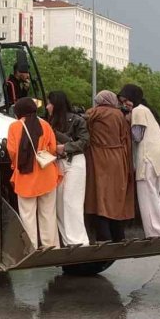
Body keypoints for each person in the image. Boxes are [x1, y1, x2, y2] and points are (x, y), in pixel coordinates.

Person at [7, 97, 60, 250]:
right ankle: (50, 246)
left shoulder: (15, 127)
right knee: (48, 213)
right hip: (47, 174)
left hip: (26, 176)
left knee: (27, 214)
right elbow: (53, 148)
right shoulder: (45, 124)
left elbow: (12, 151)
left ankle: (31, 248)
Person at [120, 84, 160, 238]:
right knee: (154, 195)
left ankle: (155, 232)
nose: (125, 105)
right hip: (158, 159)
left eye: (126, 101)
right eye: (122, 102)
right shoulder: (146, 110)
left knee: (147, 197)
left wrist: (127, 121)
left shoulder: (138, 111)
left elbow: (137, 136)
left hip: (147, 158)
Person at [85, 90, 136, 242]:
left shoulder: (93, 113)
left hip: (98, 157)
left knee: (100, 195)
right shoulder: (119, 115)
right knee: (116, 196)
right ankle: (118, 234)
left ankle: (103, 234)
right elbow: (126, 139)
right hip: (118, 158)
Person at [47, 91, 90, 247]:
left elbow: (85, 141)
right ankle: (68, 241)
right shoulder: (50, 122)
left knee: (72, 201)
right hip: (57, 163)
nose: (47, 106)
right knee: (59, 203)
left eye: (49, 103)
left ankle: (79, 241)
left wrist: (64, 147)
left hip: (74, 161)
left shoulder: (77, 120)